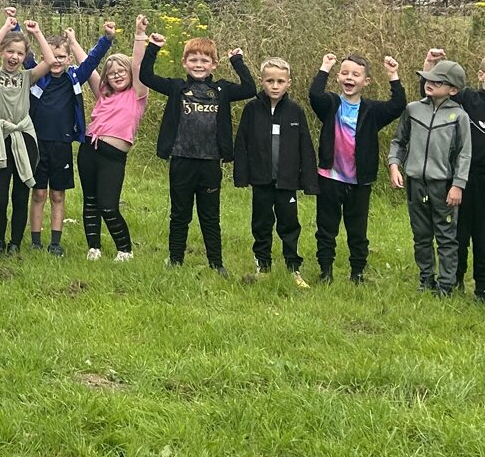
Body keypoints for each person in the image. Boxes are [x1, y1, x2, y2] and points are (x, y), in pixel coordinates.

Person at [138, 31, 254, 272]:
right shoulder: (176, 87)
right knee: (180, 214)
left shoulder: (222, 90)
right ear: (184, 62)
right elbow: (146, 76)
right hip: (181, 159)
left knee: (210, 217)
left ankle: (216, 264)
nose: (199, 65)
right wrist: (153, 48)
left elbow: (250, 88)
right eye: (193, 59)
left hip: (210, 162)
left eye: (204, 60)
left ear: (214, 64)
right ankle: (175, 259)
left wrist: (238, 62)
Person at [421, 48, 485, 300]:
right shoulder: (466, 98)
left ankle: (482, 287)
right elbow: (434, 89)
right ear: (480, 75)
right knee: (457, 233)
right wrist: (431, 63)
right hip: (460, 178)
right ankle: (455, 279)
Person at [308, 51, 406, 284]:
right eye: (344, 73)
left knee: (357, 231)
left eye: (355, 74)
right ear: (338, 78)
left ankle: (357, 273)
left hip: (359, 181)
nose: (349, 78)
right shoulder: (331, 104)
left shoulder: (372, 111)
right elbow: (314, 95)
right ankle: (326, 271)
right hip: (329, 177)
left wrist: (393, 75)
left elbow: (398, 105)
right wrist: (325, 67)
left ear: (366, 81)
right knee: (326, 228)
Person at [25, 21, 111, 254]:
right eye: (52, 56)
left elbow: (92, 61)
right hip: (37, 142)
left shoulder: (74, 77)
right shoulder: (36, 76)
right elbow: (24, 51)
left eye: (62, 56)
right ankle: (35, 242)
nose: (57, 61)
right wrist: (17, 28)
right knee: (39, 192)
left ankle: (55, 242)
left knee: (57, 194)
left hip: (62, 144)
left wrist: (107, 38)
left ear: (69, 59)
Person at [387, 59, 473, 295]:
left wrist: (458, 185)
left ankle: (446, 285)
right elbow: (398, 141)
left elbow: (464, 154)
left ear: (453, 89)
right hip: (415, 184)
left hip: (443, 186)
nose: (429, 83)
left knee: (446, 237)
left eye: (438, 81)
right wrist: (394, 165)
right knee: (421, 235)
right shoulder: (413, 109)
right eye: (428, 78)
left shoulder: (459, 116)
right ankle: (426, 280)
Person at [231, 56, 316, 278]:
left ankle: (293, 268)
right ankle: (263, 265)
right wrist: (241, 176)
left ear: (288, 83)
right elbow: (242, 143)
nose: (275, 86)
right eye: (270, 81)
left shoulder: (295, 111)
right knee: (261, 223)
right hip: (261, 180)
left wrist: (309, 181)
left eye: (280, 81)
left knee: (289, 224)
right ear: (262, 81)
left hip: (287, 181)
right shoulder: (252, 109)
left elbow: (305, 146)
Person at [78, 17, 147, 262]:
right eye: (112, 73)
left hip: (112, 156)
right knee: (90, 202)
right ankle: (93, 247)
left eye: (121, 71)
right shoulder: (103, 94)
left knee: (108, 205)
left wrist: (140, 33)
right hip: (88, 150)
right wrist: (74, 41)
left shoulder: (137, 94)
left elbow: (138, 65)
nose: (117, 75)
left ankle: (125, 249)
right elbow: (87, 68)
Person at [0, 8, 45, 256]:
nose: (14, 57)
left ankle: (15, 243)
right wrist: (7, 27)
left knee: (21, 194)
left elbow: (50, 63)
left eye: (20, 53)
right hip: (2, 138)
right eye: (10, 51)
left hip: (25, 137)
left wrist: (37, 33)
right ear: (2, 52)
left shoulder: (27, 77)